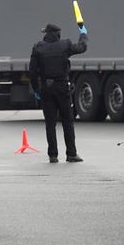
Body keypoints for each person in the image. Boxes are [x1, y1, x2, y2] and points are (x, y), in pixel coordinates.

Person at [28, 22, 87, 163]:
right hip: (62, 87)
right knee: (67, 121)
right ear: (58, 34)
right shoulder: (65, 45)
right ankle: (71, 154)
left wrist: (36, 89)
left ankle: (53, 155)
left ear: (47, 34)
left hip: (46, 89)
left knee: (50, 123)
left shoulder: (38, 48)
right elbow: (82, 47)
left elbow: (32, 72)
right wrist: (83, 34)